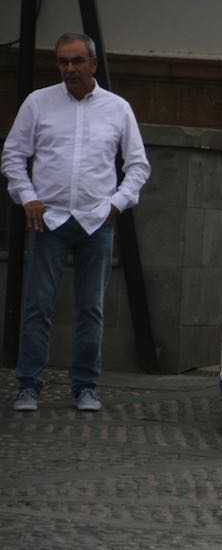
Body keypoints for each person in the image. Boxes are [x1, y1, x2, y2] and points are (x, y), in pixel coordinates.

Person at [2, 32, 150, 411]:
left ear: (93, 64)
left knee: (91, 308)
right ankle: (28, 386)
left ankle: (85, 386)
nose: (69, 69)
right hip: (48, 220)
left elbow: (137, 165)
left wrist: (117, 204)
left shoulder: (118, 109)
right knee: (38, 306)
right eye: (63, 62)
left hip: (96, 221)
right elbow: (13, 155)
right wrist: (27, 196)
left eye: (77, 61)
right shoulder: (38, 103)